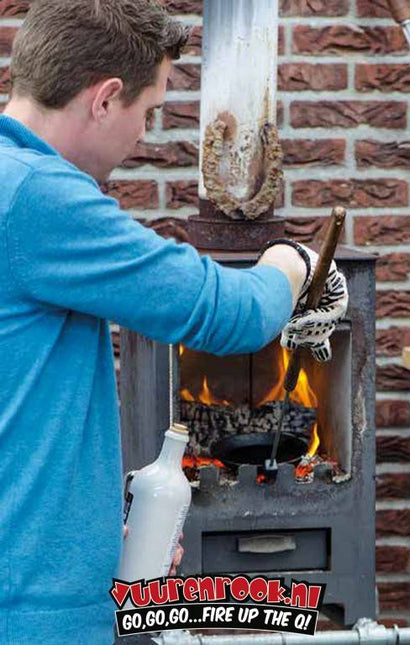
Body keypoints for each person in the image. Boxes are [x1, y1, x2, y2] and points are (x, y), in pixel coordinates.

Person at [0, 0, 348, 643]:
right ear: (105, 99)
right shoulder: (39, 196)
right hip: (31, 609)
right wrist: (292, 263)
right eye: (148, 111)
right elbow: (229, 316)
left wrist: (93, 527)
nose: (143, 136)